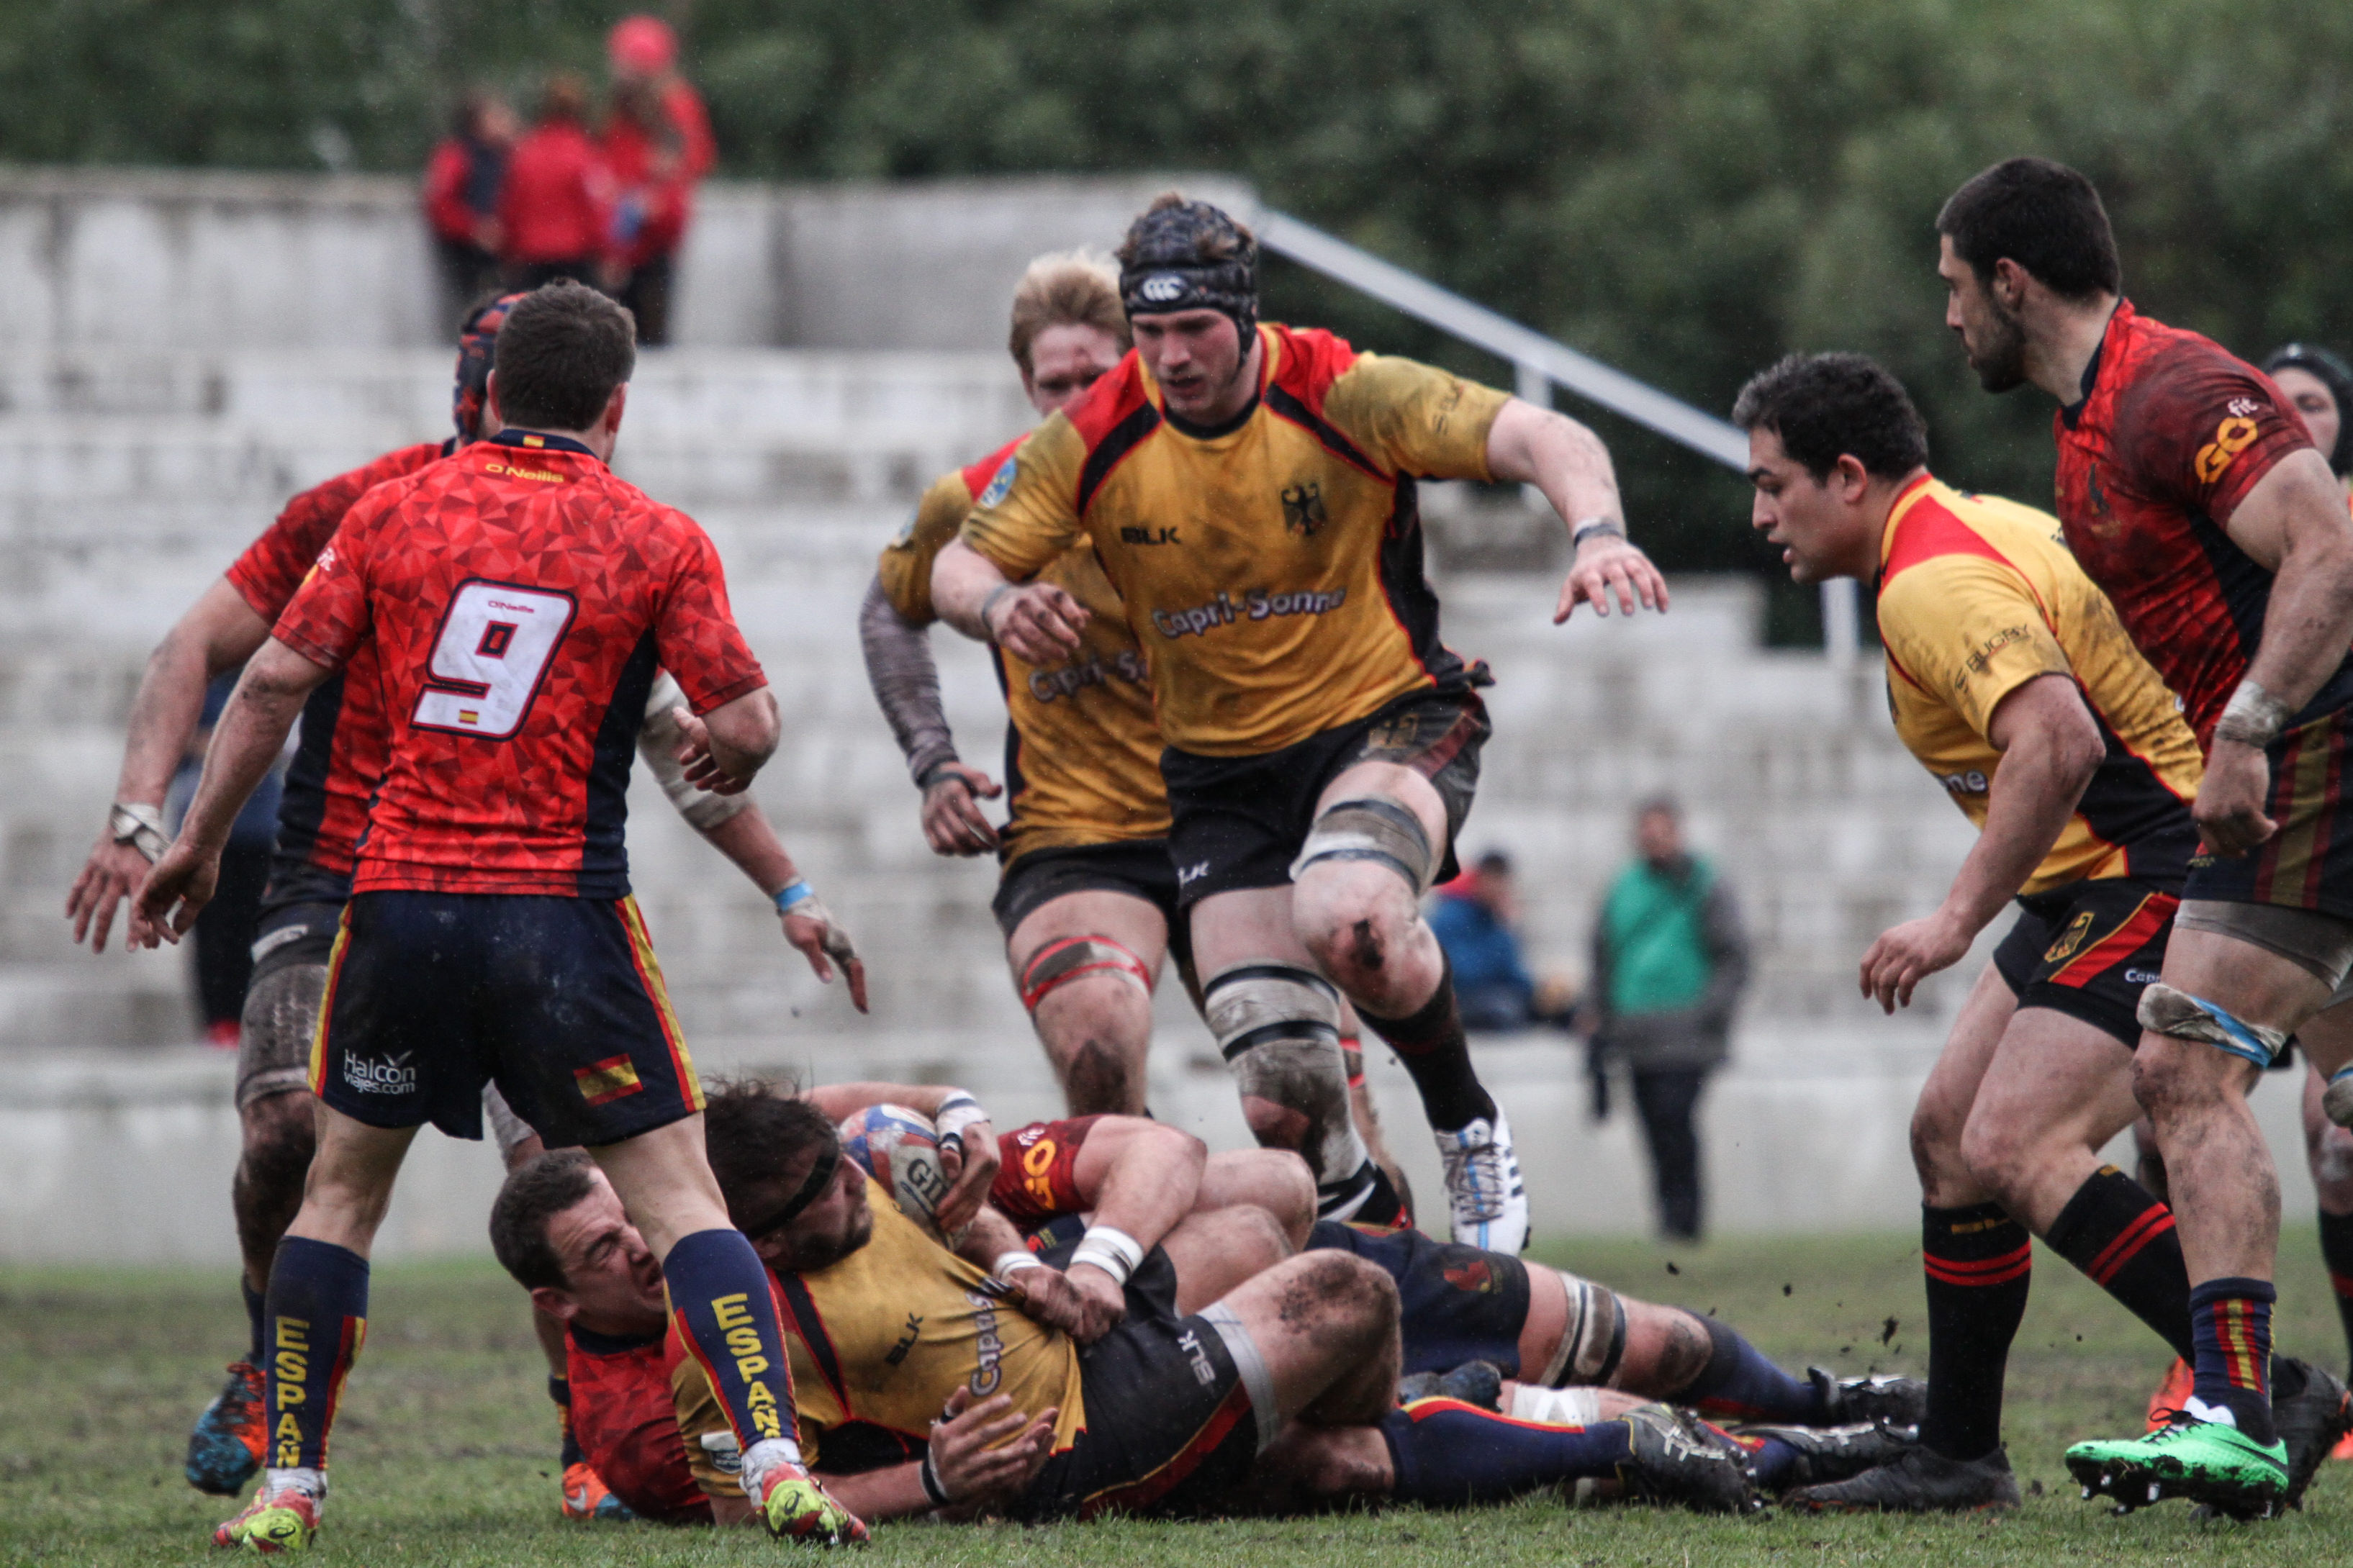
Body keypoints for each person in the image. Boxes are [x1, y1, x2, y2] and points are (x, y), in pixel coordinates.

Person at [64, 292, 864, 1514]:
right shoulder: (654, 534)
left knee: (338, 1192)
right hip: (561, 915)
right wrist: (743, 752)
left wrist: (197, 842)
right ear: (616, 404)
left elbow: (269, 679)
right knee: (673, 1194)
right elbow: (741, 723)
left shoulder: (391, 510)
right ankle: (774, 1465)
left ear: (488, 395)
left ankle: (291, 1483)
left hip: (398, 906)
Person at [934, 194, 1672, 1252]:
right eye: (1150, 332)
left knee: (1350, 913)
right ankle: (1397, 1272)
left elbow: (1542, 432)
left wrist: (1596, 531)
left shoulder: (1339, 390)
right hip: (1221, 778)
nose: (1170, 357)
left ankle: (1465, 1120)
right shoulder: (1094, 433)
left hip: (1383, 721)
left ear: (1246, 315)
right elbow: (959, 564)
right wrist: (999, 603)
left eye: (1195, 329)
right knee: (1281, 1100)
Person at [1732, 349, 2341, 1510]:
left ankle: (2270, 1388)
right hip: (2089, 875)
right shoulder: (1967, 524)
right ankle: (1959, 1455)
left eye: (1772, 485)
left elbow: (2057, 739)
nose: (1760, 514)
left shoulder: (1927, 579)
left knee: (2015, 1138)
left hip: (2149, 859)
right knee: (1949, 1134)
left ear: (1847, 476)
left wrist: (1951, 917)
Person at [1934, 156, 2353, 1515]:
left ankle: (2237, 1408)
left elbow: (2330, 549)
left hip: (2313, 750)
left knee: (2180, 1067)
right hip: (2282, 763)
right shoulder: (2083, 429)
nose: (1948, 317)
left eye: (1954, 287)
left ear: (2010, 282)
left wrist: (2247, 725)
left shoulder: (2171, 389)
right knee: (2285, 1093)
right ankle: (2239, 1404)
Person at [862, 249, 1412, 1215]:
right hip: (1076, 835)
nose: (1075, 399)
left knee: (1309, 1113)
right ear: (1026, 386)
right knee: (1095, 1037)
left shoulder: (1220, 473)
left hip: (1235, 816)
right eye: (1054, 384)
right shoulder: (986, 500)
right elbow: (889, 607)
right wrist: (933, 760)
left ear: (1144, 363)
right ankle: (1146, 1263)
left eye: (1096, 374)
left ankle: (1386, 1275)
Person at [668, 1082, 1773, 1523]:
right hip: (1078, 1434)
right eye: (827, 1191)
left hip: (1090, 1325)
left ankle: (1807, 1401)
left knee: (1269, 1196)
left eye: (843, 1164)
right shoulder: (728, 1330)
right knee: (1345, 1317)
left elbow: (1161, 1146)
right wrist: (934, 1481)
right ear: (760, 1237)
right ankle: (1565, 1426)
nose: (855, 1187)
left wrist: (998, 1198)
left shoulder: (854, 1163)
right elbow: (744, 1511)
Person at [2133, 343, 2353, 1450]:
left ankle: (2237, 1395)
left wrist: (2249, 730)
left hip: (2315, 808)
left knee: (2211, 1083)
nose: (2293, 417)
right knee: (2177, 1095)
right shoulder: (2235, 539)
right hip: (2267, 826)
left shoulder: (2323, 542)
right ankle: (2217, 1380)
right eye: (2279, 402)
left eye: (2313, 403)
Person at [1586, 798, 1749, 1242]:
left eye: (1662, 832)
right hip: (1635, 1032)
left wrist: (1709, 1014)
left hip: (1686, 1035)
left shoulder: (1704, 883)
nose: (1654, 841)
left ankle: (1686, 1219)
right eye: (1647, 832)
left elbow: (1733, 955)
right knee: (1653, 1131)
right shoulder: (1622, 887)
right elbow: (1602, 955)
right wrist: (1598, 1013)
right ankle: (1668, 1220)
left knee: (1676, 1122)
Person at [172, 669, 285, 1046]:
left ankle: (247, 1013)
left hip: (257, 827)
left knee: (251, 924)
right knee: (211, 926)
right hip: (205, 829)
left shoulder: (271, 682)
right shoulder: (203, 690)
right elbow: (179, 743)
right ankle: (218, 1018)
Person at [602, 15, 715, 346]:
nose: (617, 69)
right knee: (621, 331)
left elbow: (695, 159)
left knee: (645, 328)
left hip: (655, 232)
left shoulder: (676, 105)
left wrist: (655, 183)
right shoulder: (623, 106)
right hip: (626, 230)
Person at [498, 74, 616, 292]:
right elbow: (598, 210)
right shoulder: (585, 154)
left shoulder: (525, 152)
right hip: (575, 259)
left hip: (532, 259)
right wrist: (607, 253)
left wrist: (509, 251)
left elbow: (511, 208)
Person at [1427, 851, 1564, 1032]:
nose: (1499, 889)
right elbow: (1461, 973)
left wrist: (1539, 990)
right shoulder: (1451, 915)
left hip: (1495, 994)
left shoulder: (1495, 918)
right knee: (1504, 1010)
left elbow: (1511, 969)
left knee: (1557, 1009)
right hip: (1460, 997)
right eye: (1494, 881)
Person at [421, 89, 518, 327]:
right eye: (497, 116)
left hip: (500, 247)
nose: (507, 122)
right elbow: (440, 203)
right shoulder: (456, 155)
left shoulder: (506, 155)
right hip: (464, 250)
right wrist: (475, 229)